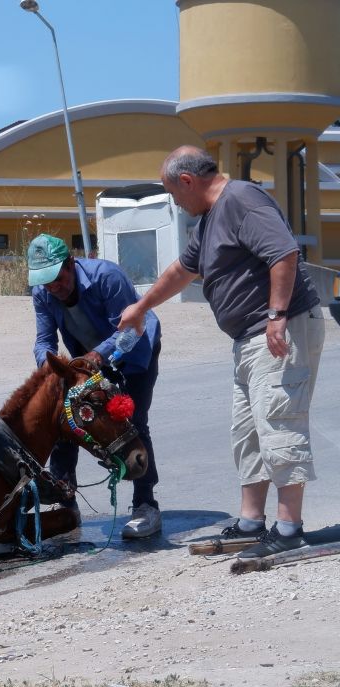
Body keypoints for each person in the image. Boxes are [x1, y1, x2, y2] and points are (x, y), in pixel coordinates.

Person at [119, 145, 325, 559]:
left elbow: (283, 252)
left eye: (174, 194)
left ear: (188, 181)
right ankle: (251, 522)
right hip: (249, 339)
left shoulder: (241, 200)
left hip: (280, 330)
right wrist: (142, 306)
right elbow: (182, 270)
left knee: (279, 422)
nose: (176, 203)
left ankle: (289, 529)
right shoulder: (212, 220)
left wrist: (276, 315)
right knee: (248, 432)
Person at [28, 233, 164, 538]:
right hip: (87, 360)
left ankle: (146, 504)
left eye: (58, 279)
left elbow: (130, 330)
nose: (53, 288)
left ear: (71, 264)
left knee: (131, 422)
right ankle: (65, 504)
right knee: (65, 420)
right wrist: (49, 368)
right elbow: (44, 341)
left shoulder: (107, 277)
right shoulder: (42, 293)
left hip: (134, 350)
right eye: (45, 282)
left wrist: (95, 356)